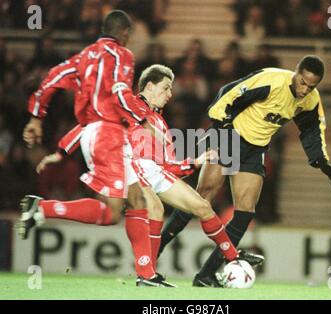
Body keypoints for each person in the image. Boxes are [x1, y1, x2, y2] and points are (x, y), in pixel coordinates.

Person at [34, 64, 264, 281]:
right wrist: (61, 152)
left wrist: (194, 163)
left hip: (153, 172)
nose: (170, 94)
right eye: (166, 88)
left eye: (171, 89)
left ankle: (232, 257)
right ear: (149, 86)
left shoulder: (161, 123)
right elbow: (88, 124)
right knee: (154, 209)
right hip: (129, 166)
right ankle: (147, 274)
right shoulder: (129, 105)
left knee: (202, 207)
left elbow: (169, 167)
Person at [18, 10, 172, 287]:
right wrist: (144, 120)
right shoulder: (122, 56)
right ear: (124, 32)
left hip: (98, 132)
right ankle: (42, 209)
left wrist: (35, 118)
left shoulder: (83, 56)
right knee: (111, 212)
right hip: (107, 134)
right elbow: (120, 92)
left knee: (136, 199)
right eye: (130, 34)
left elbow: (52, 78)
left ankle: (146, 274)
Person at [158, 55, 331, 287]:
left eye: (311, 86)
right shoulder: (271, 80)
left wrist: (321, 161)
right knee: (201, 199)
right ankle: (157, 249)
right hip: (230, 136)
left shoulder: (310, 100)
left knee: (245, 212)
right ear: (296, 72)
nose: (305, 89)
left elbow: (313, 130)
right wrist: (221, 126)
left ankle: (206, 275)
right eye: (302, 82)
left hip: (255, 149)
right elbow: (229, 92)